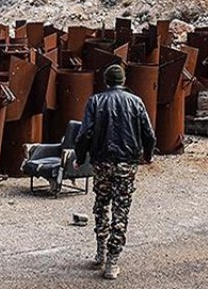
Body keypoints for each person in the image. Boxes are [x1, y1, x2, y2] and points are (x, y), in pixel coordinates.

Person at [74, 63, 156, 280]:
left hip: (101, 162)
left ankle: (100, 251)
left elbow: (84, 134)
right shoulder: (136, 101)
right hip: (126, 163)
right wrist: (147, 156)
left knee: (101, 205)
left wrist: (80, 158)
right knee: (121, 209)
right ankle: (112, 262)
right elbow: (149, 133)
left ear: (106, 81)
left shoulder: (96, 101)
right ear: (123, 81)